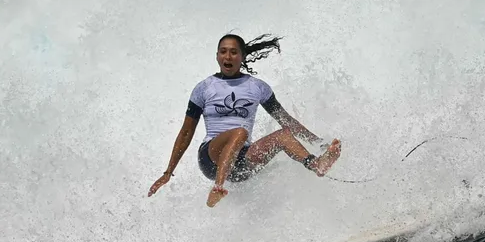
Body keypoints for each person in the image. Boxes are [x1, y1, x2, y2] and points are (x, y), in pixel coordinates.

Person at [147, 33, 342, 207]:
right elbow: (186, 132)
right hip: (211, 158)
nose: (228, 56)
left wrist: (320, 143)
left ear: (242, 57)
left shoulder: (257, 87)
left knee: (283, 135)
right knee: (240, 132)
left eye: (233, 52)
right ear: (217, 56)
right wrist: (167, 172)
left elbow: (286, 120)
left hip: (242, 163)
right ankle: (218, 187)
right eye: (223, 52)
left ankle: (316, 164)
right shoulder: (204, 88)